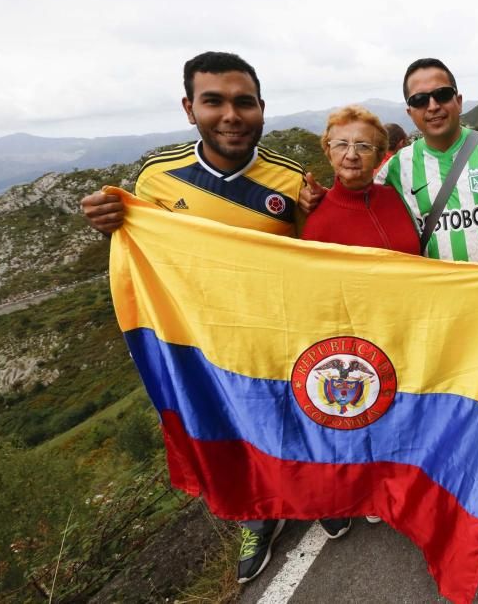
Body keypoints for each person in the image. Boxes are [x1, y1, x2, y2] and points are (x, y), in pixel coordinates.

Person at [79, 51, 304, 584]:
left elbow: (317, 255)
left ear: (261, 109)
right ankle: (259, 514)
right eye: (214, 101)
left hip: (279, 337)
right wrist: (109, 220)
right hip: (205, 344)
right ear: (189, 107)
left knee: (295, 419)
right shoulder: (158, 178)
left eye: (243, 102)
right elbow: (143, 250)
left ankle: (317, 492)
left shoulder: (292, 181)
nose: (230, 114)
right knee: (235, 432)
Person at [301, 58, 478, 489]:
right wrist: (312, 200)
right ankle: (468, 460)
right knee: (454, 391)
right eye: (420, 99)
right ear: (410, 112)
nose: (433, 105)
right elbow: (357, 193)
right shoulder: (397, 167)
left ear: (458, 100)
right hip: (437, 313)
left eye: (442, 94)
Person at [301, 104, 420, 539]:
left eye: (364, 146)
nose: (352, 154)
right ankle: (374, 492)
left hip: (411, 330)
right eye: (342, 145)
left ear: (379, 155)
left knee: (409, 417)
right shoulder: (316, 222)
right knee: (374, 421)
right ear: (328, 153)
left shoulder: (394, 199)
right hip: (362, 346)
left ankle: (405, 481)